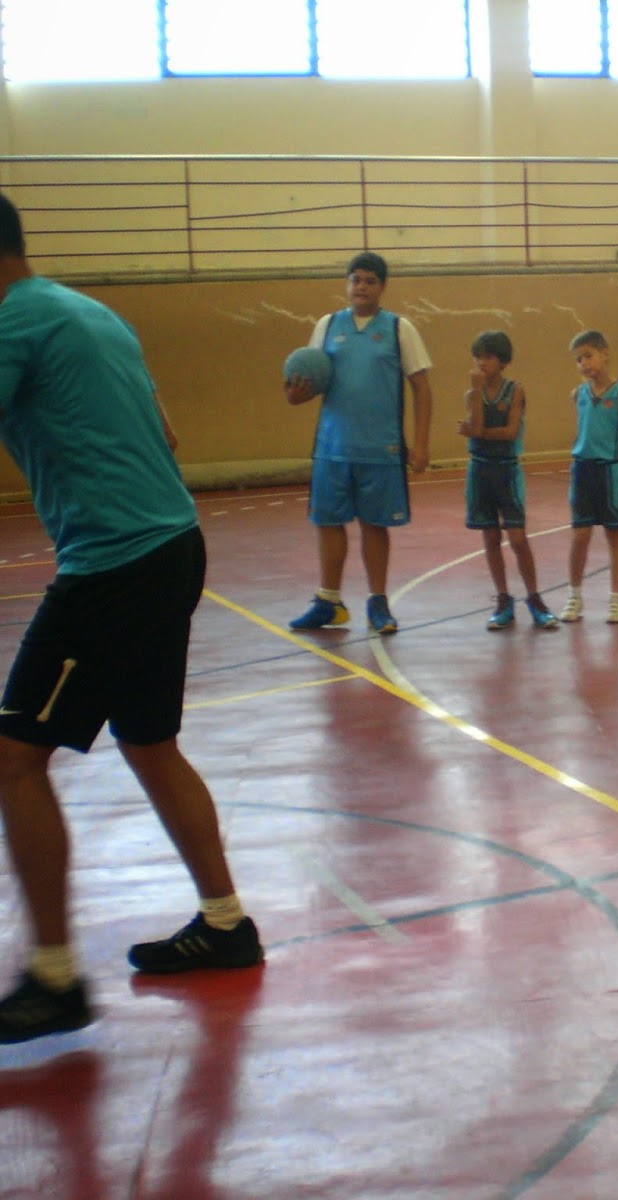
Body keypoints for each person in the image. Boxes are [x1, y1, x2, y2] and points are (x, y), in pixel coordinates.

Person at [0, 193, 262, 1045]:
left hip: (114, 565)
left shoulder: (14, 323)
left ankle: (54, 979)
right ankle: (224, 924)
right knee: (148, 741)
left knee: (13, 760)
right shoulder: (90, 313)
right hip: (172, 545)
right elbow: (167, 435)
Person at [285, 251, 433, 635]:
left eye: (369, 280)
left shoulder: (399, 328)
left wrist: (420, 443)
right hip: (332, 447)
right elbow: (307, 384)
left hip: (381, 448)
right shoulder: (327, 326)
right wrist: (295, 394)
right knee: (328, 522)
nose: (361, 287)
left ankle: (378, 602)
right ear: (347, 284)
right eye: (355, 280)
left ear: (383, 287)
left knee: (374, 525)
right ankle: (328, 602)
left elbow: (421, 387)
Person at [456, 330, 558, 632]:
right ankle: (503, 600)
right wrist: (476, 397)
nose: (481, 363)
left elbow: (508, 432)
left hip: (506, 471)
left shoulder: (515, 391)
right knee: (490, 538)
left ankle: (535, 598)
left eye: (487, 357)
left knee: (517, 539)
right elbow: (476, 425)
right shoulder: (471, 394)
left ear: (503, 361)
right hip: (480, 471)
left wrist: (479, 433)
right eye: (477, 357)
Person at [562, 329, 618, 624]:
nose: (584, 363)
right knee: (580, 535)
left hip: (610, 471)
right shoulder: (578, 394)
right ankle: (574, 596)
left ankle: (615, 599)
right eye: (578, 359)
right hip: (582, 469)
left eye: (588, 356)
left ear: (604, 354)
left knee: (614, 534)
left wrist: (611, 449)